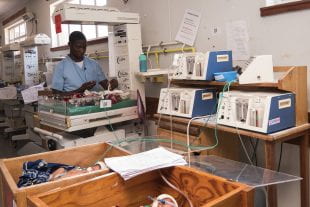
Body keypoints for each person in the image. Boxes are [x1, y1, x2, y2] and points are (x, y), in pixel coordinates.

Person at [51, 31, 117, 95]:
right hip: (73, 105)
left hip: (95, 104)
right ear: (69, 45)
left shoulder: (94, 64)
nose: (82, 50)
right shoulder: (61, 67)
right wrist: (80, 90)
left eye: (84, 47)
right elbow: (56, 94)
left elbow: (107, 87)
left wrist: (112, 84)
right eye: (78, 47)